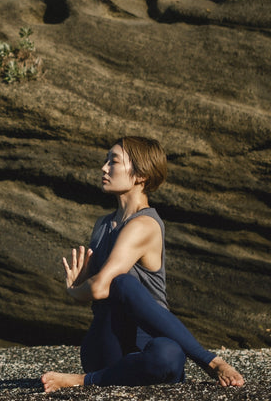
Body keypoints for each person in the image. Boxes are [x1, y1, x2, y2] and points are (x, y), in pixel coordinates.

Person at [41, 136, 244, 393]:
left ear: (141, 176)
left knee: (168, 354)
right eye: (105, 161)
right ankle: (209, 362)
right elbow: (97, 290)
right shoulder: (102, 225)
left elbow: (99, 287)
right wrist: (84, 285)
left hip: (151, 340)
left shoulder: (144, 225)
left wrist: (77, 290)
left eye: (113, 161)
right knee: (119, 285)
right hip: (107, 344)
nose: (104, 168)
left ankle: (86, 380)